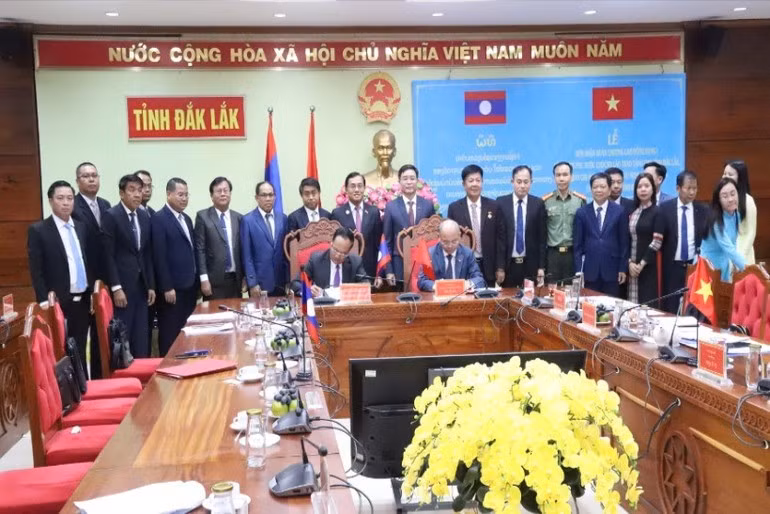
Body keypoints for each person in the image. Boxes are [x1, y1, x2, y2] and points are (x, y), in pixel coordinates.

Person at [27, 180, 92, 375]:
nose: (66, 203)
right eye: (60, 198)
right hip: (58, 301)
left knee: (80, 346)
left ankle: (82, 387)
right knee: (60, 350)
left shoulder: (81, 227)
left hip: (82, 299)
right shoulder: (39, 230)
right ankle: (64, 395)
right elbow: (36, 270)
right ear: (50, 201)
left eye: (70, 198)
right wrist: (44, 301)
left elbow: (86, 261)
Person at [101, 174, 156, 358]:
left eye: (139, 190)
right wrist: (116, 287)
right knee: (124, 336)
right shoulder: (111, 216)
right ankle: (124, 375)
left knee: (141, 335)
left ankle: (142, 379)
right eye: (132, 190)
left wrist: (150, 285)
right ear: (121, 193)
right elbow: (107, 255)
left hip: (141, 286)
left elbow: (146, 253)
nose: (137, 194)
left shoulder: (143, 215)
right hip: (122, 287)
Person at [71, 162, 111, 378]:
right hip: (84, 282)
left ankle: (99, 377)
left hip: (105, 282)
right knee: (79, 338)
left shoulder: (105, 205)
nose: (91, 179)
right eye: (86, 176)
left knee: (101, 335)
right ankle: (80, 383)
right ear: (78, 181)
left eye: (94, 175)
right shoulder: (73, 207)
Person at [151, 178, 198, 356]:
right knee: (171, 335)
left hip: (189, 287)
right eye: (180, 194)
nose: (184, 198)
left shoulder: (186, 218)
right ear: (169, 194)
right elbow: (159, 256)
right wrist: (166, 286)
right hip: (172, 290)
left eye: (186, 195)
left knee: (187, 333)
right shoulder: (159, 219)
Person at [655, 170, 709, 313]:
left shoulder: (703, 210)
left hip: (694, 267)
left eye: (695, 188)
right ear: (678, 188)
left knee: (693, 308)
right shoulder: (665, 209)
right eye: (688, 188)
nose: (692, 192)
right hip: (672, 267)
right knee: (671, 308)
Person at [447, 164, 506, 286]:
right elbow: (450, 239)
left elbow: (501, 239)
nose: (475, 184)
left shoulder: (494, 206)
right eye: (471, 181)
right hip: (464, 266)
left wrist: (500, 267)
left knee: (488, 301)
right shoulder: (454, 208)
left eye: (478, 180)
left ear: (482, 182)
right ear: (464, 184)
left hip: (489, 266)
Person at [573, 172, 629, 296]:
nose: (598, 190)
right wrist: (578, 270)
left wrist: (622, 268)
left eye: (602, 187)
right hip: (589, 271)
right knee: (590, 306)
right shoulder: (582, 212)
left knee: (611, 306)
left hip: (612, 270)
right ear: (591, 189)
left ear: (609, 190)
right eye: (595, 187)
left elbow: (624, 243)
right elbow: (577, 245)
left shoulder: (619, 211)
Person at [383, 165, 434, 285]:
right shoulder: (391, 207)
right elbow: (387, 241)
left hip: (423, 262)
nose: (409, 182)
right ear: (399, 182)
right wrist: (389, 271)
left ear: (417, 181)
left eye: (412, 178)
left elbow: (433, 238)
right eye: (405, 179)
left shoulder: (428, 205)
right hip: (399, 263)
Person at [496, 165, 546, 287]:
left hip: (530, 266)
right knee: (508, 302)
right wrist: (500, 267)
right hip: (509, 266)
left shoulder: (538, 204)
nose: (522, 186)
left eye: (526, 182)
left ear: (531, 182)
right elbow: (499, 240)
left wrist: (541, 267)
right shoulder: (501, 203)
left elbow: (542, 238)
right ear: (512, 181)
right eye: (519, 182)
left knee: (530, 301)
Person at [194, 177, 244, 300]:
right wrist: (203, 279)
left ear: (230, 194)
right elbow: (200, 250)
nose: (223, 194)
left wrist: (246, 277)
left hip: (236, 281)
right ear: (211, 196)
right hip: (213, 281)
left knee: (236, 317)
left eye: (226, 190)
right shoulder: (203, 217)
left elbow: (244, 250)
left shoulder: (239, 218)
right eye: (218, 191)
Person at [330, 172, 383, 279]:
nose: (357, 189)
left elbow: (379, 244)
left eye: (360, 186)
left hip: (370, 269)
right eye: (352, 186)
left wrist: (380, 273)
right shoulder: (337, 213)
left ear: (364, 188)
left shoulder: (374, 212)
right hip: (346, 268)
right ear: (346, 189)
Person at [241, 181, 289, 297]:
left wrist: (288, 281)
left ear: (275, 196)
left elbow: (286, 253)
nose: (268, 198)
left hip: (281, 283)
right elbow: (247, 256)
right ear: (257, 197)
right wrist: (252, 283)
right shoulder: (248, 220)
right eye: (264, 195)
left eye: (271, 195)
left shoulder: (283, 218)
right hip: (260, 285)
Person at [542, 161, 586, 283]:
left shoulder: (580, 201)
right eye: (558, 175)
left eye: (565, 174)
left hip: (572, 254)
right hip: (552, 254)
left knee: (571, 290)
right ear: (554, 177)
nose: (561, 178)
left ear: (571, 177)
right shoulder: (546, 201)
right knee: (551, 291)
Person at [417, 219, 485, 292]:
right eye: (445, 242)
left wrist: (468, 284)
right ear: (439, 237)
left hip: (462, 299)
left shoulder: (467, 254)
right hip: (438, 300)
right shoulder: (430, 254)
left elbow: (479, 280)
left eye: (454, 241)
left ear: (459, 236)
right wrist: (435, 286)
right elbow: (421, 281)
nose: (449, 246)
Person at [700, 178, 746, 282]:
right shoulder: (716, 221)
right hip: (708, 267)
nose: (730, 199)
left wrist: (736, 264)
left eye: (733, 194)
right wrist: (749, 268)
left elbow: (733, 244)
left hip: (724, 265)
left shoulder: (736, 215)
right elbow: (729, 249)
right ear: (719, 200)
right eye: (725, 196)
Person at [627, 173, 661, 304]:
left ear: (653, 189)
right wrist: (630, 263)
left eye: (646, 186)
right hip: (631, 267)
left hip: (648, 267)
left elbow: (657, 242)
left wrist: (640, 265)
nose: (643, 189)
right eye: (639, 186)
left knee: (648, 305)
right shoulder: (633, 212)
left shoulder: (658, 212)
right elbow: (628, 240)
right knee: (632, 306)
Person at [304, 227, 369, 296]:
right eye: (335, 250)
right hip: (323, 304)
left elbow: (366, 285)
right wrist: (309, 289)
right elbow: (297, 283)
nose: (337, 256)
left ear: (349, 251)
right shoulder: (316, 260)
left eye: (343, 253)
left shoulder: (355, 262)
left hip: (346, 305)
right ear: (331, 244)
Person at [723, 160, 756, 265]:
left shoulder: (748, 201)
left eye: (730, 174)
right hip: (724, 254)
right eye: (724, 173)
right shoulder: (721, 199)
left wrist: (739, 257)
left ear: (740, 177)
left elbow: (751, 233)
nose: (725, 177)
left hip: (743, 254)